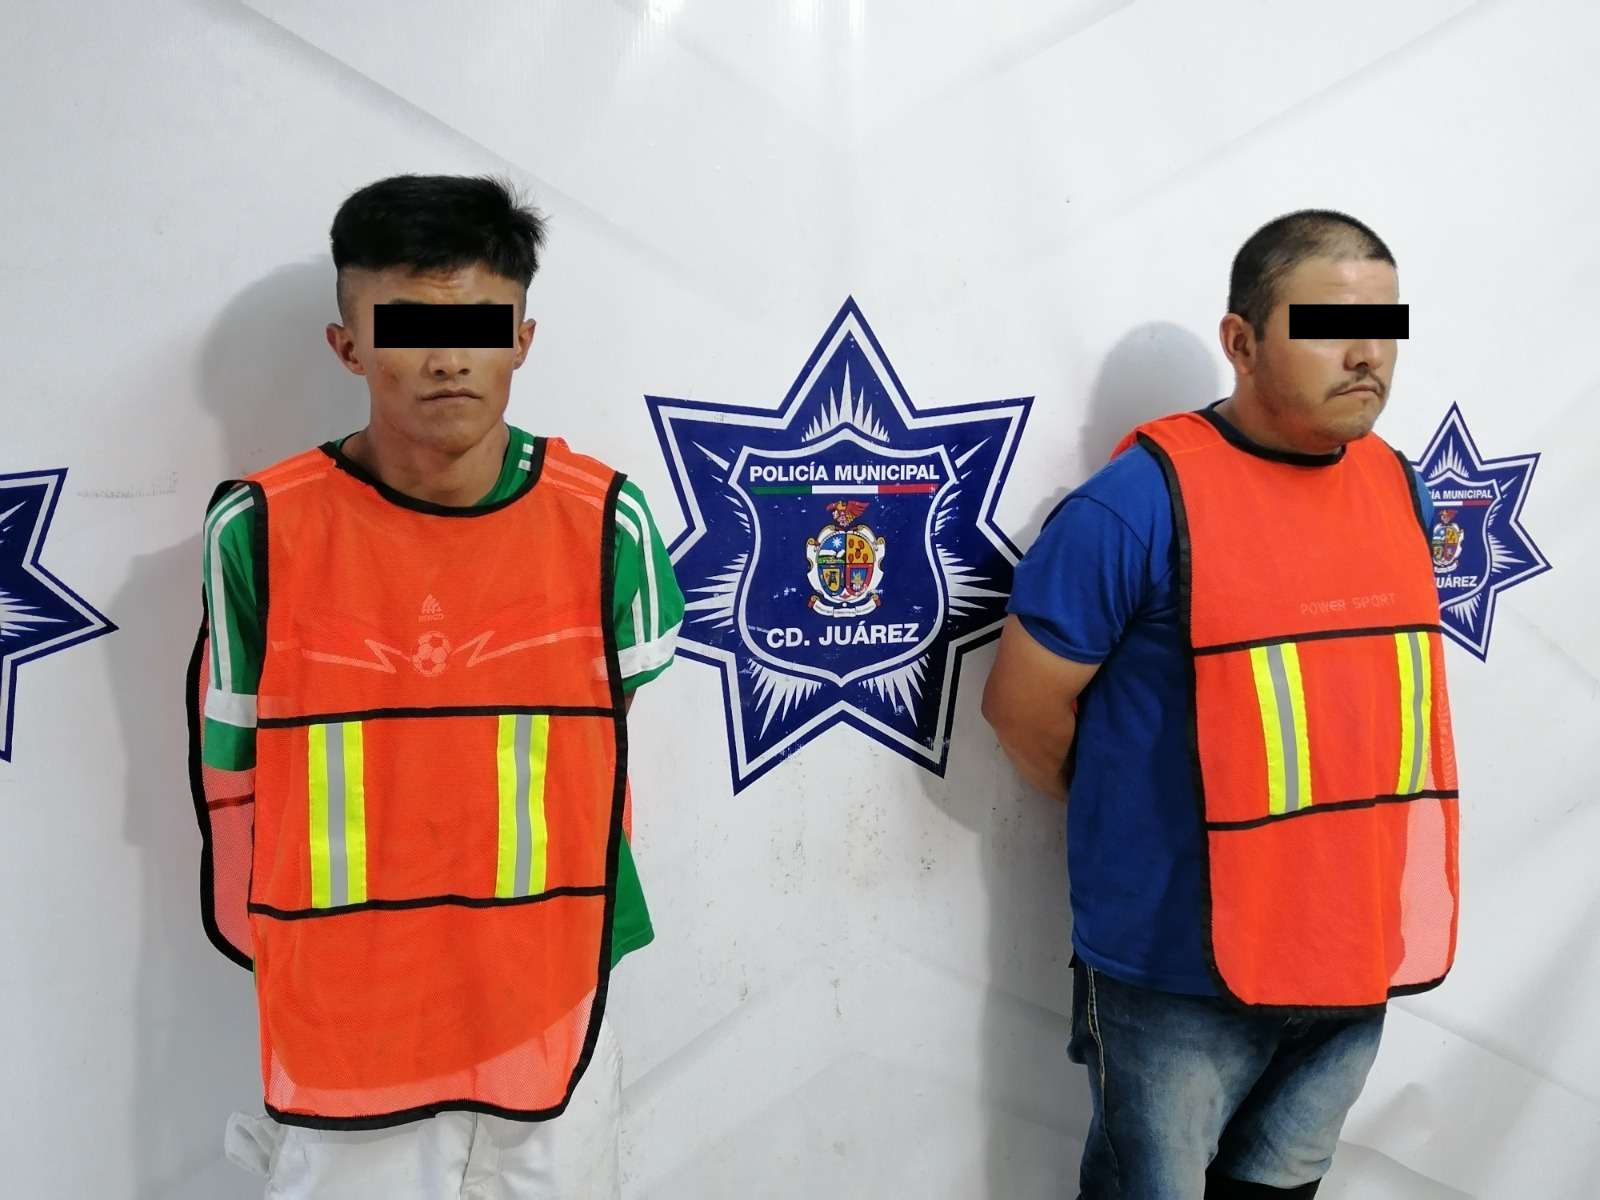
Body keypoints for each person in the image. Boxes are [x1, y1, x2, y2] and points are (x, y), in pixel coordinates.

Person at [187, 173, 683, 1199]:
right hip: (347, 1016)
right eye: (410, 327)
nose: (449, 359)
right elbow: (233, 774)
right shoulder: (260, 529)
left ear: (523, 340)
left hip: (548, 997)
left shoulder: (609, 522)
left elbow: (607, 737)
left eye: (479, 327)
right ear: (347, 346)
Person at [981, 210, 1459, 1199]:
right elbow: (1023, 712)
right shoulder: (1136, 504)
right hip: (1176, 974)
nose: (1367, 355)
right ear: (1241, 342)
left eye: (1384, 326)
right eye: (1328, 326)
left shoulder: (1396, 487)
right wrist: (1143, 820)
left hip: (1350, 953)